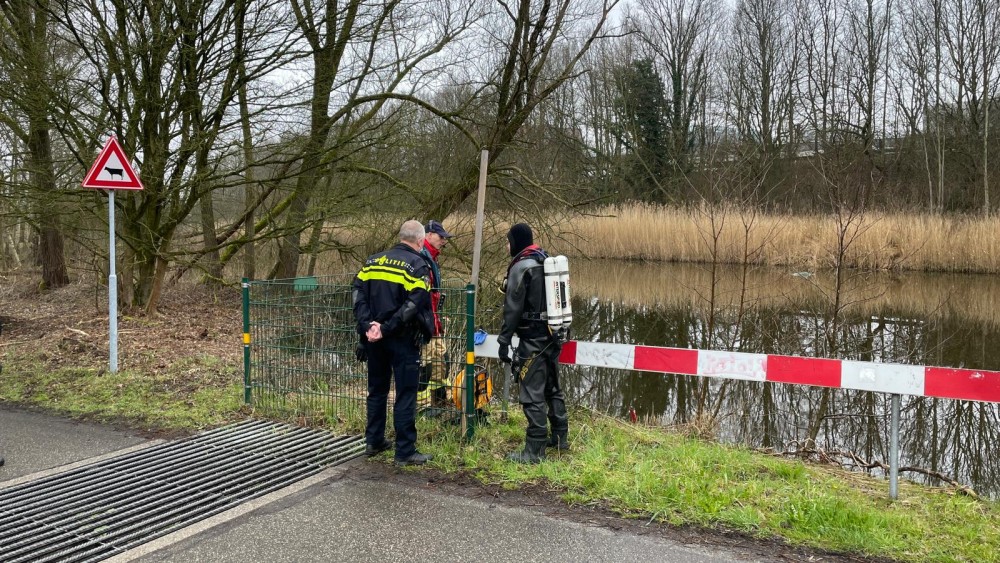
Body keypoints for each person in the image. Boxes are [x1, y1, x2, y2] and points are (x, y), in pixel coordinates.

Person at [353, 220, 436, 466]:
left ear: (400, 236)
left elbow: (357, 293)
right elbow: (416, 303)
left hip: (373, 338)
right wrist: (388, 327)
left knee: (377, 390)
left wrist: (368, 325)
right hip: (401, 338)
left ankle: (374, 441)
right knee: (405, 393)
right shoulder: (418, 265)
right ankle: (405, 451)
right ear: (421, 241)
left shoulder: (372, 261)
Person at [496, 223, 569, 463]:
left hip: (532, 339)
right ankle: (560, 437)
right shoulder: (545, 260)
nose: (507, 246)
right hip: (552, 336)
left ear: (516, 241)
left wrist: (504, 340)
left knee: (531, 393)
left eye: (508, 241)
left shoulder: (521, 266)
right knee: (552, 387)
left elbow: (512, 308)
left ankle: (534, 450)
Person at [418, 220, 453, 409]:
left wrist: (438, 319)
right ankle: (421, 407)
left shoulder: (431, 257)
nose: (444, 241)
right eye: (441, 237)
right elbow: (421, 296)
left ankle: (439, 404)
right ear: (428, 234)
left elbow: (433, 294)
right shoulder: (420, 257)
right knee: (424, 366)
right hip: (425, 324)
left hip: (434, 322)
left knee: (442, 361)